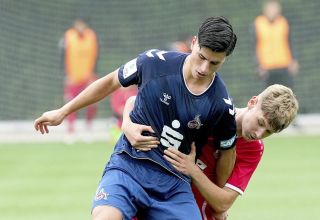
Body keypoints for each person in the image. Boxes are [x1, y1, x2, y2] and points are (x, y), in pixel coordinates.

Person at [34, 16, 237, 220]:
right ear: (194, 42)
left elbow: (227, 153)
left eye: (214, 63)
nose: (204, 68)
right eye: (201, 57)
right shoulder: (154, 62)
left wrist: (217, 205)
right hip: (129, 166)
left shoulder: (221, 104)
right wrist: (63, 111)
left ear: (225, 59)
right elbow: (112, 81)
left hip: (174, 184)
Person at [121, 84, 298, 219]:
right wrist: (127, 124)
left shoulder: (254, 149)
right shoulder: (210, 109)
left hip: (196, 213)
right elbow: (135, 101)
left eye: (268, 132)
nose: (258, 134)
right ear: (252, 102)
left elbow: (223, 203)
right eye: (260, 122)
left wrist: (192, 170)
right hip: (154, 196)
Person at [60, 18, 99, 134]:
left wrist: (93, 73)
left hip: (88, 76)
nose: (80, 26)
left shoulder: (92, 36)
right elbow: (62, 56)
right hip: (73, 77)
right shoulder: (68, 36)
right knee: (71, 102)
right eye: (78, 24)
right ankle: (71, 129)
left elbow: (97, 55)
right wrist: (66, 75)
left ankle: (89, 124)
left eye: (82, 24)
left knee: (93, 101)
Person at [253, 0, 299, 90]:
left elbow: (291, 42)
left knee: (288, 94)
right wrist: (258, 65)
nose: (272, 11)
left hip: (284, 66)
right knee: (269, 98)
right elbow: (253, 47)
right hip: (266, 68)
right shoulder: (258, 24)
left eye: (274, 8)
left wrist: (294, 60)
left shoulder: (284, 22)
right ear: (264, 10)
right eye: (270, 8)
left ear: (279, 10)